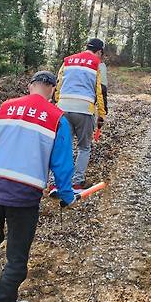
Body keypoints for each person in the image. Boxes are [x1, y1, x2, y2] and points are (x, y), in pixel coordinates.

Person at [0, 71, 76, 302]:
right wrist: (66, 194)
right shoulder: (56, 118)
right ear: (52, 90)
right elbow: (61, 164)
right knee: (17, 254)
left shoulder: (5, 108)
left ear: (30, 86)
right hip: (24, 196)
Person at [51, 38, 107, 194]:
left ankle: (55, 183)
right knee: (84, 147)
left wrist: (57, 104)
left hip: (63, 108)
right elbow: (100, 91)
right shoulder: (97, 64)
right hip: (84, 109)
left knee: (63, 146)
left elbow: (58, 84)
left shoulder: (68, 61)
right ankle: (76, 183)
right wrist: (101, 114)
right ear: (99, 51)